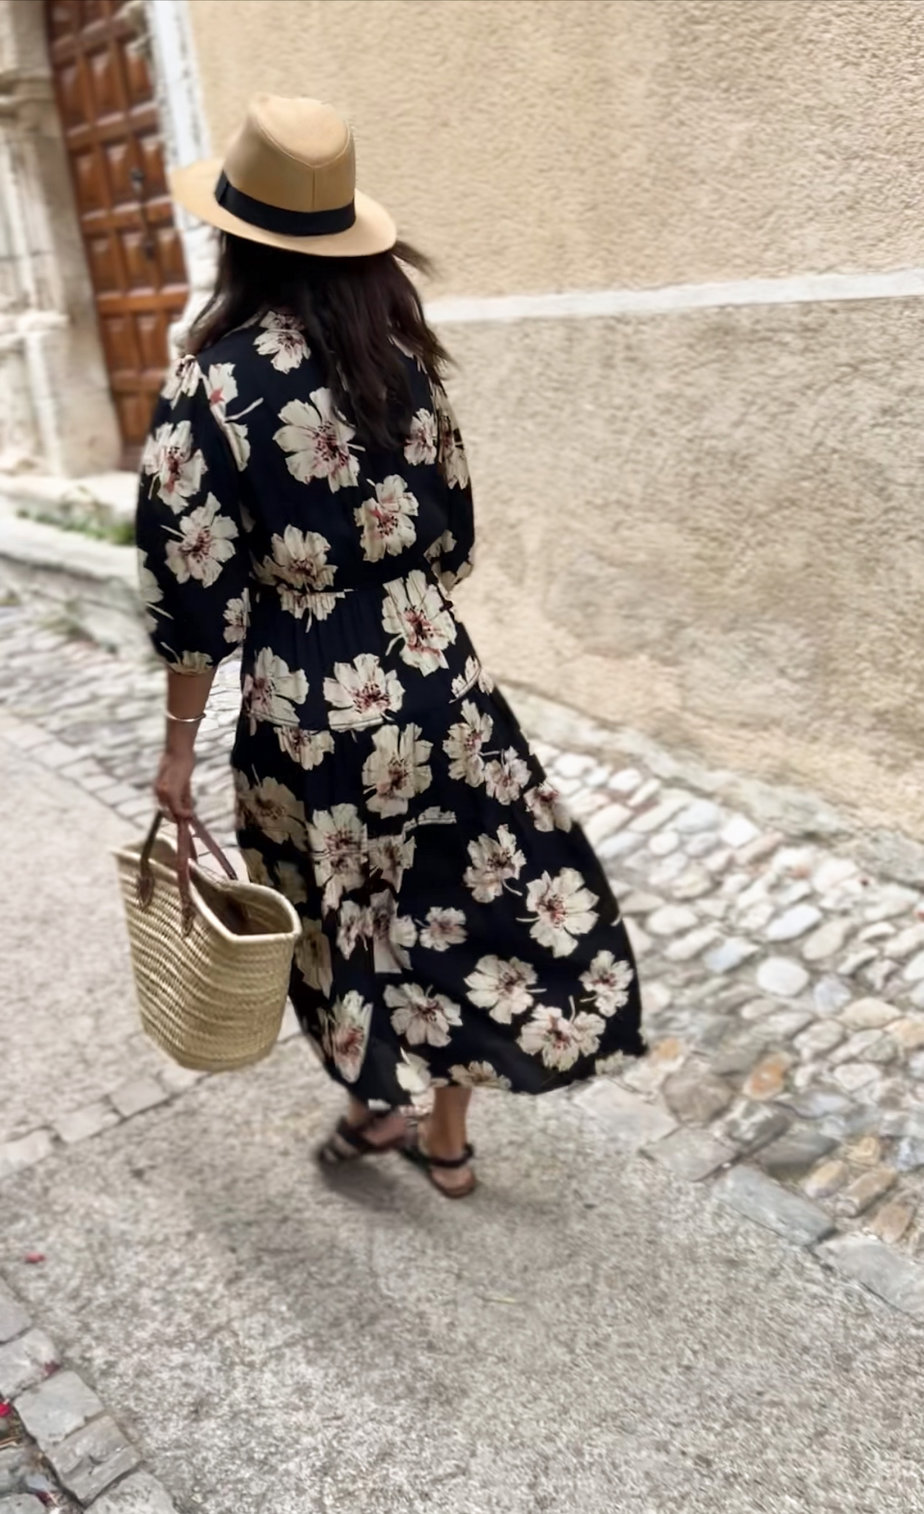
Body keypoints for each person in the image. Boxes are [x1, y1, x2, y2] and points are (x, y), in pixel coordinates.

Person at [136, 95, 645, 1199]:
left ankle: (378, 1108)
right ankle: (447, 1143)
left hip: (307, 706)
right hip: (437, 676)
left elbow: (191, 592)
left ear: (237, 236)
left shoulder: (212, 383)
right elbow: (453, 534)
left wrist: (179, 746)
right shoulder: (402, 360)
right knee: (459, 901)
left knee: (333, 915)